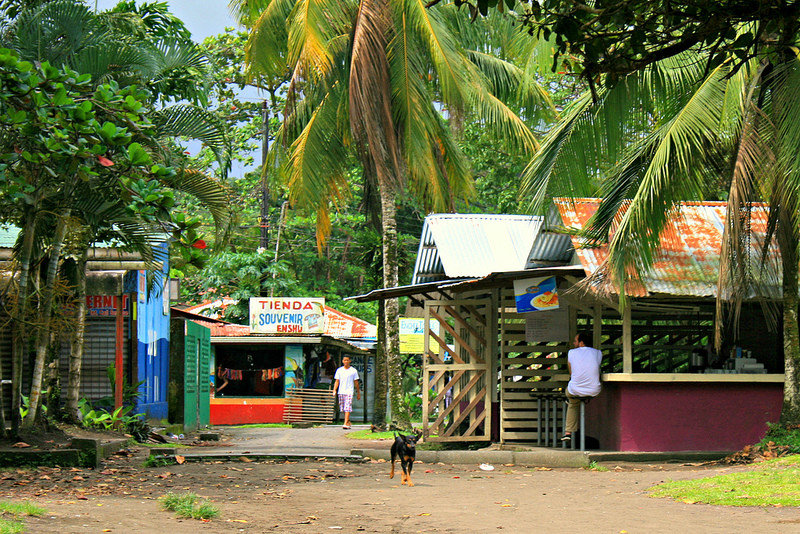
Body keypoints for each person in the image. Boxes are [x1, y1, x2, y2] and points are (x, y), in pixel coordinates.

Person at [562, 332, 602, 442]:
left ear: (581, 342)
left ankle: (568, 432)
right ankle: (570, 431)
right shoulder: (598, 353)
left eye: (575, 341)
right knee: (575, 399)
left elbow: (571, 372)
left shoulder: (571, 353)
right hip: (594, 390)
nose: (574, 343)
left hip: (574, 390)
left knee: (572, 401)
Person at [333, 356, 360, 429]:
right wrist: (334, 390)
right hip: (341, 391)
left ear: (350, 361)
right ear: (342, 361)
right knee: (343, 408)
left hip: (349, 391)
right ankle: (348, 421)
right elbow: (337, 381)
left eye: (347, 360)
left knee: (347, 407)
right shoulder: (339, 370)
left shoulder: (353, 371)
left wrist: (358, 393)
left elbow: (356, 382)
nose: (346, 362)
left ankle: (345, 423)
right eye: (344, 360)